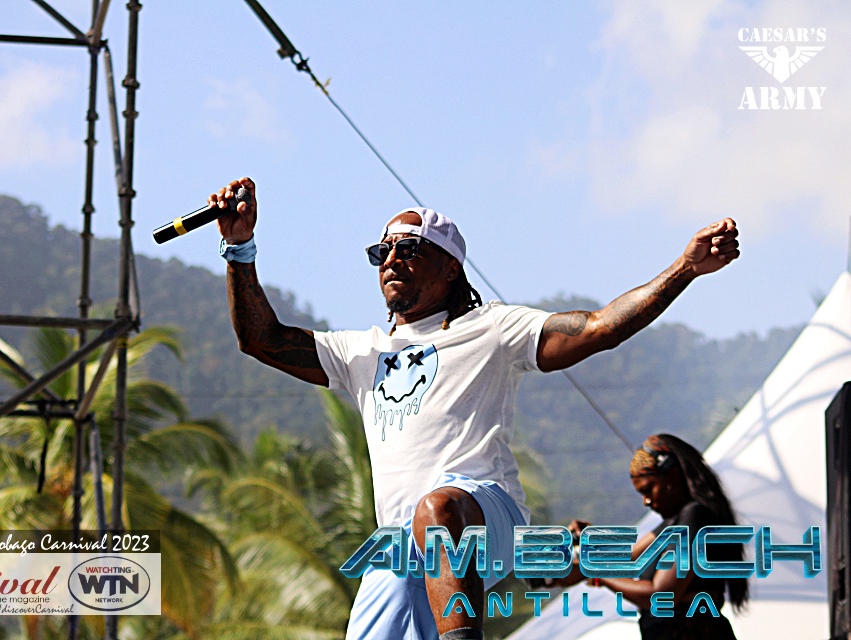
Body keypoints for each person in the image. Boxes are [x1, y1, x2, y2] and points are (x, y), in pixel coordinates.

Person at [208, 176, 741, 640]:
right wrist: (239, 248)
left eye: (408, 249)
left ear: (450, 267)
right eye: (382, 251)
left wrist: (685, 268)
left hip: (485, 516)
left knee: (437, 508)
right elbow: (262, 339)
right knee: (407, 539)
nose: (391, 259)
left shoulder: (490, 329)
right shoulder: (362, 351)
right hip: (399, 548)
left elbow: (600, 328)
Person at [572, 434, 750, 640]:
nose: (646, 501)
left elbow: (662, 595)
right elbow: (627, 557)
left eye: (648, 489)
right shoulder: (672, 525)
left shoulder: (695, 516)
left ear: (672, 476)